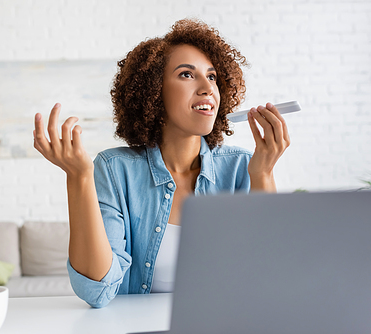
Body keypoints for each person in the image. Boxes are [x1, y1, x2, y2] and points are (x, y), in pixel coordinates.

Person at [33, 19, 290, 308]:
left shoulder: (241, 168)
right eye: (186, 75)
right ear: (153, 92)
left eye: (213, 77)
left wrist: (264, 175)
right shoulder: (116, 170)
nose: (208, 88)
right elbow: (98, 292)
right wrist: (78, 178)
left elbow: (268, 280)